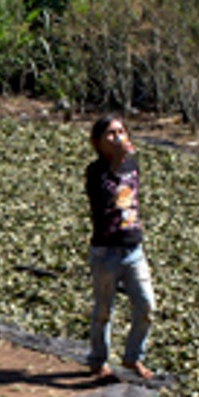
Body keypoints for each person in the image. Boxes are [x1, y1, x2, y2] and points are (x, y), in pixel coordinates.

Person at [83, 116, 157, 381]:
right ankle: (98, 361)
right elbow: (104, 201)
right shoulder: (95, 172)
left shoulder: (133, 165)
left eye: (120, 132)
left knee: (147, 305)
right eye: (110, 134)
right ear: (97, 143)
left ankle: (132, 357)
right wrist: (115, 161)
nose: (117, 138)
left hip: (133, 248)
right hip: (106, 252)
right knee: (103, 310)